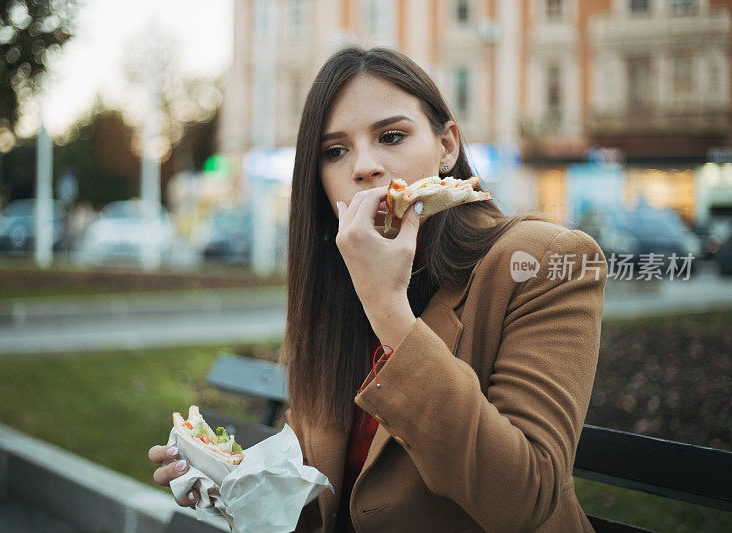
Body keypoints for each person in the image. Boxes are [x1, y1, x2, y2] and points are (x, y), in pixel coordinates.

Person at [149, 46, 607, 532]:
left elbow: (523, 498)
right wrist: (232, 487)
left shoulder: (545, 261)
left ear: (446, 147)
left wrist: (387, 306)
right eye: (335, 151)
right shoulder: (334, 286)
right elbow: (327, 501)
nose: (364, 167)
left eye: (391, 136)